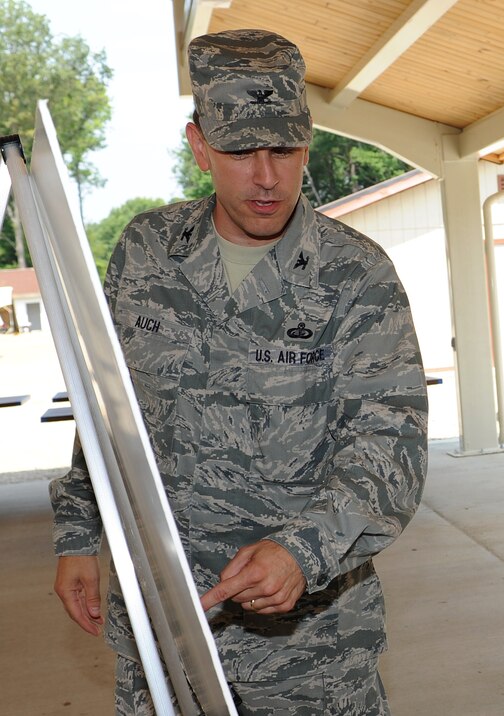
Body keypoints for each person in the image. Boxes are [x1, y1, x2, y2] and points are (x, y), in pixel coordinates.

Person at [50, 29, 428, 714]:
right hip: (165, 633)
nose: (266, 177)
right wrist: (80, 532)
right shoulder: (145, 253)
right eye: (238, 151)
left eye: (285, 149)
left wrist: (302, 551)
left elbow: (390, 450)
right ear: (199, 146)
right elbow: (108, 407)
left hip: (309, 653)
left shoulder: (355, 274)